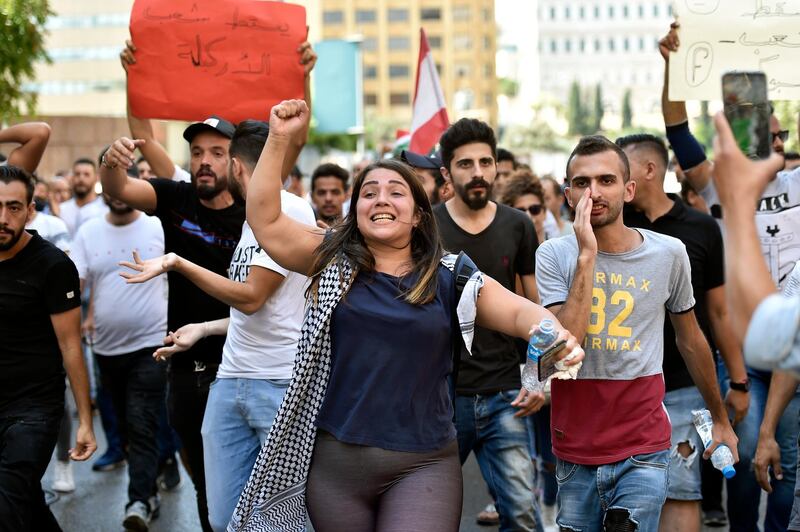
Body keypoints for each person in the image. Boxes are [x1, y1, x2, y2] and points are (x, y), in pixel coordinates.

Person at [228, 100, 584, 532]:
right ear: (355, 212)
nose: (381, 199)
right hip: (336, 464)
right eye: (369, 192)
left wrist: (550, 337)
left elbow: (518, 313)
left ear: (418, 214)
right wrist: (280, 138)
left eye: (396, 192)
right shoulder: (329, 261)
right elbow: (263, 216)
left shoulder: (452, 274)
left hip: (423, 465)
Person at [119, 119, 315, 531]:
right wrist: (203, 329)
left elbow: (252, 295)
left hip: (276, 383)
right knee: (225, 516)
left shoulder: (289, 209)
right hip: (232, 379)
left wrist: (176, 262)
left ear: (238, 169)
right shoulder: (253, 220)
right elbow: (257, 311)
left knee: (283, 517)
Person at [535, 135, 738, 532]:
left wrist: (720, 419)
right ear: (567, 194)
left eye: (606, 180)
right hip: (576, 442)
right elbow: (564, 349)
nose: (593, 193)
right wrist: (587, 256)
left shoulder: (669, 252)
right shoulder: (553, 254)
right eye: (581, 183)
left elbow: (691, 339)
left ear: (629, 190)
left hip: (643, 442)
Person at [661, 23, 800, 531]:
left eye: (780, 136)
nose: (771, 142)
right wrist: (675, 67)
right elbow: (676, 129)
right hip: (739, 354)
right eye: (764, 133)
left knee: (784, 462)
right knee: (739, 462)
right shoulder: (719, 184)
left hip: (791, 347)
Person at [617, 133, 748, 532]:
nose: (613, 179)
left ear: (649, 171)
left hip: (681, 385)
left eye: (621, 169)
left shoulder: (701, 227)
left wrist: (738, 381)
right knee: (621, 493)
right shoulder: (614, 225)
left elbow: (719, 312)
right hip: (621, 383)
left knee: (681, 489)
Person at [433, 118, 543, 532]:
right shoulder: (427, 226)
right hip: (440, 396)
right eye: (465, 164)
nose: (477, 172)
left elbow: (534, 308)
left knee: (521, 513)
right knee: (427, 513)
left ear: (496, 166)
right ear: (447, 172)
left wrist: (538, 379)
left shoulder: (518, 225)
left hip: (504, 394)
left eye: (485, 162)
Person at [0, 165, 97, 530]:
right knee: (25, 503)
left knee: (6, 506)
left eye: (13, 207)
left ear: (30, 210)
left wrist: (85, 422)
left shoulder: (52, 266)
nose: (3, 218)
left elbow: (72, 347)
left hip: (34, 410)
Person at [69, 180, 168, 529]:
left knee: (141, 425)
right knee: (126, 428)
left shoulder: (158, 225)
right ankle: (157, 472)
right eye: (112, 184)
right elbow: (76, 285)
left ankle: (138, 502)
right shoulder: (89, 232)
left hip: (151, 345)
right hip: (106, 350)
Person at [59, 158, 109, 236]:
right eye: (77, 174)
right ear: (72, 178)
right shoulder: (61, 209)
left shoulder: (105, 209)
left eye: (86, 174)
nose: (81, 179)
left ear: (96, 178)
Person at [502, 170, 549, 244]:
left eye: (534, 209)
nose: (528, 216)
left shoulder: (559, 248)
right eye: (520, 211)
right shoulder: (505, 251)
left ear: (544, 212)